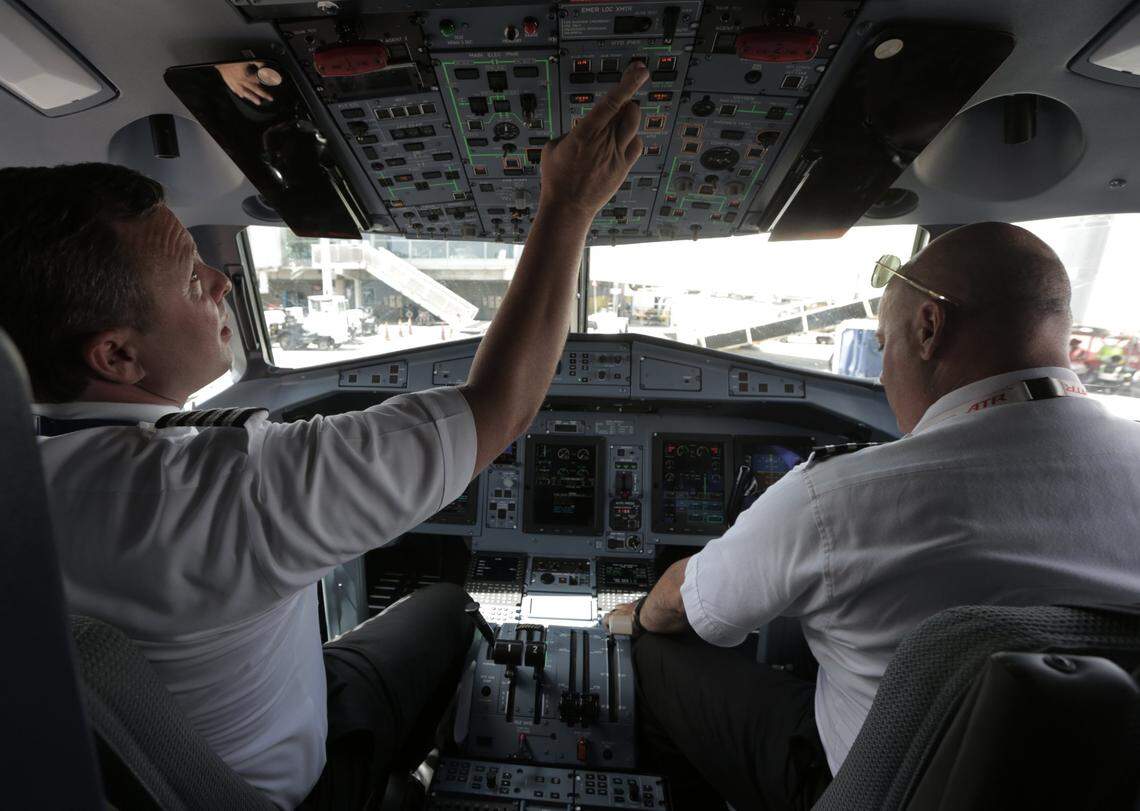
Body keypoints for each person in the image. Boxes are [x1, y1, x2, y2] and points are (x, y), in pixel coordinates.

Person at [0, 63, 649, 809]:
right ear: (116, 355)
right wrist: (568, 204)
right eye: (189, 280)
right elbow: (499, 406)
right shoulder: (221, 487)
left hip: (161, 773)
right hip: (291, 789)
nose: (221, 282)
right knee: (447, 605)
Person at [605, 222, 1140, 811]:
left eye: (884, 344)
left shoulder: (841, 497)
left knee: (656, 653)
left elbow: (685, 602)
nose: (883, 373)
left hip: (866, 789)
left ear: (928, 328)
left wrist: (637, 617)